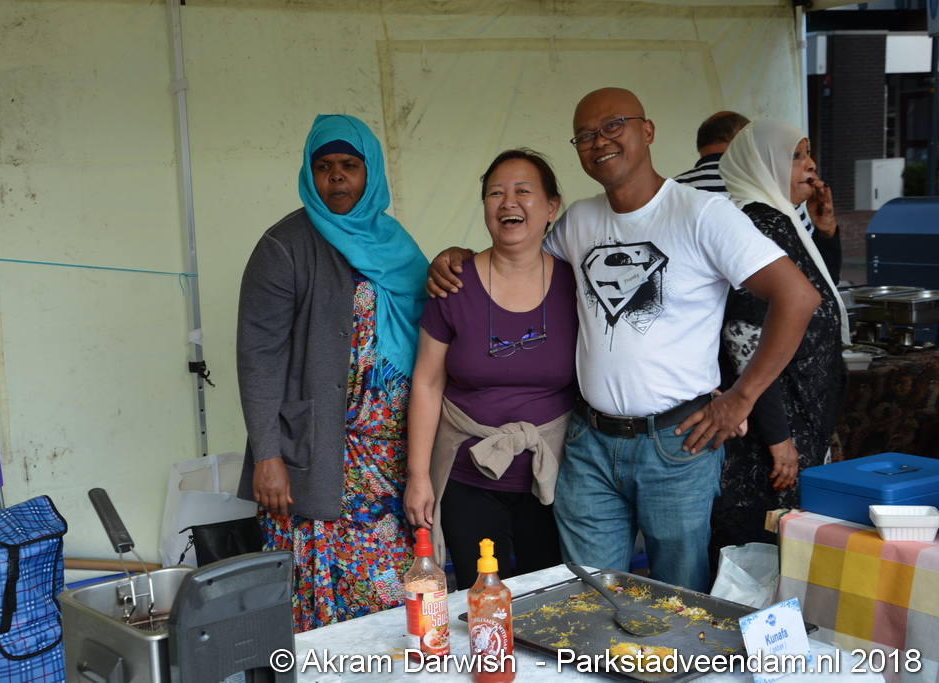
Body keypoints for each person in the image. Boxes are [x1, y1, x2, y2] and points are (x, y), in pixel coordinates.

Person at [426, 87, 822, 592]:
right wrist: (458, 256)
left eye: (613, 126)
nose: (600, 141)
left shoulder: (703, 213)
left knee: (677, 597)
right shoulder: (578, 221)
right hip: (588, 442)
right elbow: (516, 258)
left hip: (677, 442)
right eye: (585, 135)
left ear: (647, 130)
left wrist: (742, 399)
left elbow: (798, 297)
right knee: (587, 594)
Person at [236, 114, 428, 631]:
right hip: (320, 457)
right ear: (309, 173)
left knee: (399, 596)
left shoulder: (396, 245)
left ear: (371, 172)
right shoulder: (284, 246)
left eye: (349, 165)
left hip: (392, 460)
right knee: (322, 603)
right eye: (323, 167)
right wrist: (267, 455)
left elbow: (435, 323)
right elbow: (258, 357)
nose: (336, 177)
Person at [403, 149, 579, 590]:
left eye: (523, 191)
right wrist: (418, 477)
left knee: (551, 602)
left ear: (552, 207)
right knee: (481, 602)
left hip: (557, 477)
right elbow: (427, 382)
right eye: (495, 193)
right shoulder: (453, 284)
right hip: (468, 478)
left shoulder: (577, 283)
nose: (508, 203)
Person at [713, 119, 848, 552]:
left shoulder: (782, 221)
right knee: (768, 548)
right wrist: (779, 439)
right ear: (764, 164)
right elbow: (745, 340)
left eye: (808, 154)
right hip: (774, 426)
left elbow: (818, 294)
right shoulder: (760, 226)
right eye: (795, 156)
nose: (810, 165)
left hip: (797, 415)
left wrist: (825, 231)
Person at [675, 111, 843, 284]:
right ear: (750, 146)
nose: (812, 164)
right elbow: (814, 281)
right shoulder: (772, 199)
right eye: (795, 155)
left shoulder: (677, 190)